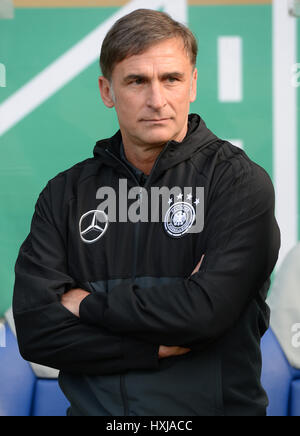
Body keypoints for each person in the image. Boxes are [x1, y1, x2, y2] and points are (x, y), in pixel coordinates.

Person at [13, 9, 280, 416]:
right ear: (107, 91)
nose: (156, 100)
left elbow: (204, 314)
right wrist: (152, 347)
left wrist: (86, 305)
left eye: (170, 79)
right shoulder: (65, 194)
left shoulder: (237, 183)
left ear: (192, 83)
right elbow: (38, 332)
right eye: (137, 81)